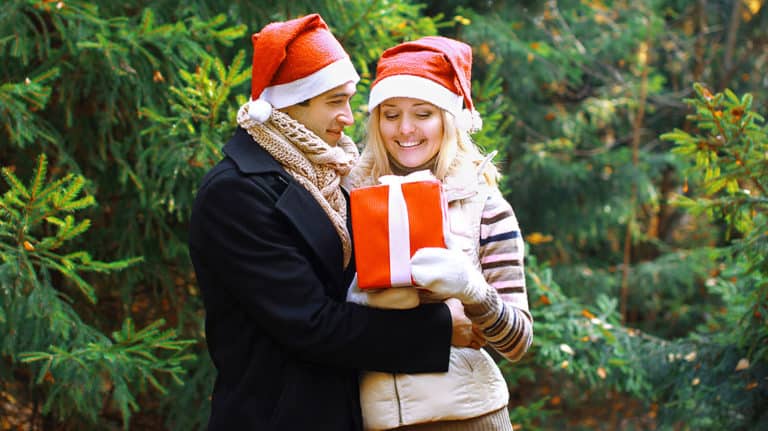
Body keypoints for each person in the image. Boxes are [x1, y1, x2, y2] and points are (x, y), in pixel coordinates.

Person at [188, 15, 477, 431]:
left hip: (342, 409)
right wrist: (440, 328)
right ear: (290, 102)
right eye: (334, 101)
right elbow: (311, 324)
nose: (348, 116)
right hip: (275, 416)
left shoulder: (326, 175)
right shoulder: (234, 193)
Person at [345, 36, 534, 430]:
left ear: (449, 119)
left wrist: (473, 290)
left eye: (423, 113)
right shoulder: (348, 199)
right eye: (390, 114)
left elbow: (517, 343)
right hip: (375, 418)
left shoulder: (485, 206)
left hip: (468, 418)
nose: (406, 129)